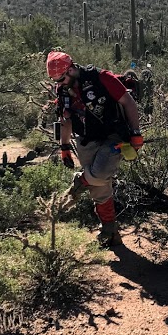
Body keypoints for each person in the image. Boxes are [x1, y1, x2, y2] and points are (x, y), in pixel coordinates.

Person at [47, 51, 143, 248]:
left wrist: (135, 132)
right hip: (86, 139)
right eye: (56, 80)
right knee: (100, 187)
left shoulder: (101, 78)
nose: (60, 83)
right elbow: (65, 120)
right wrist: (64, 146)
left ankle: (80, 181)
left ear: (71, 69)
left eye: (62, 78)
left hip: (113, 136)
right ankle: (109, 230)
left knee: (99, 173)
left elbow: (128, 102)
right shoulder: (62, 90)